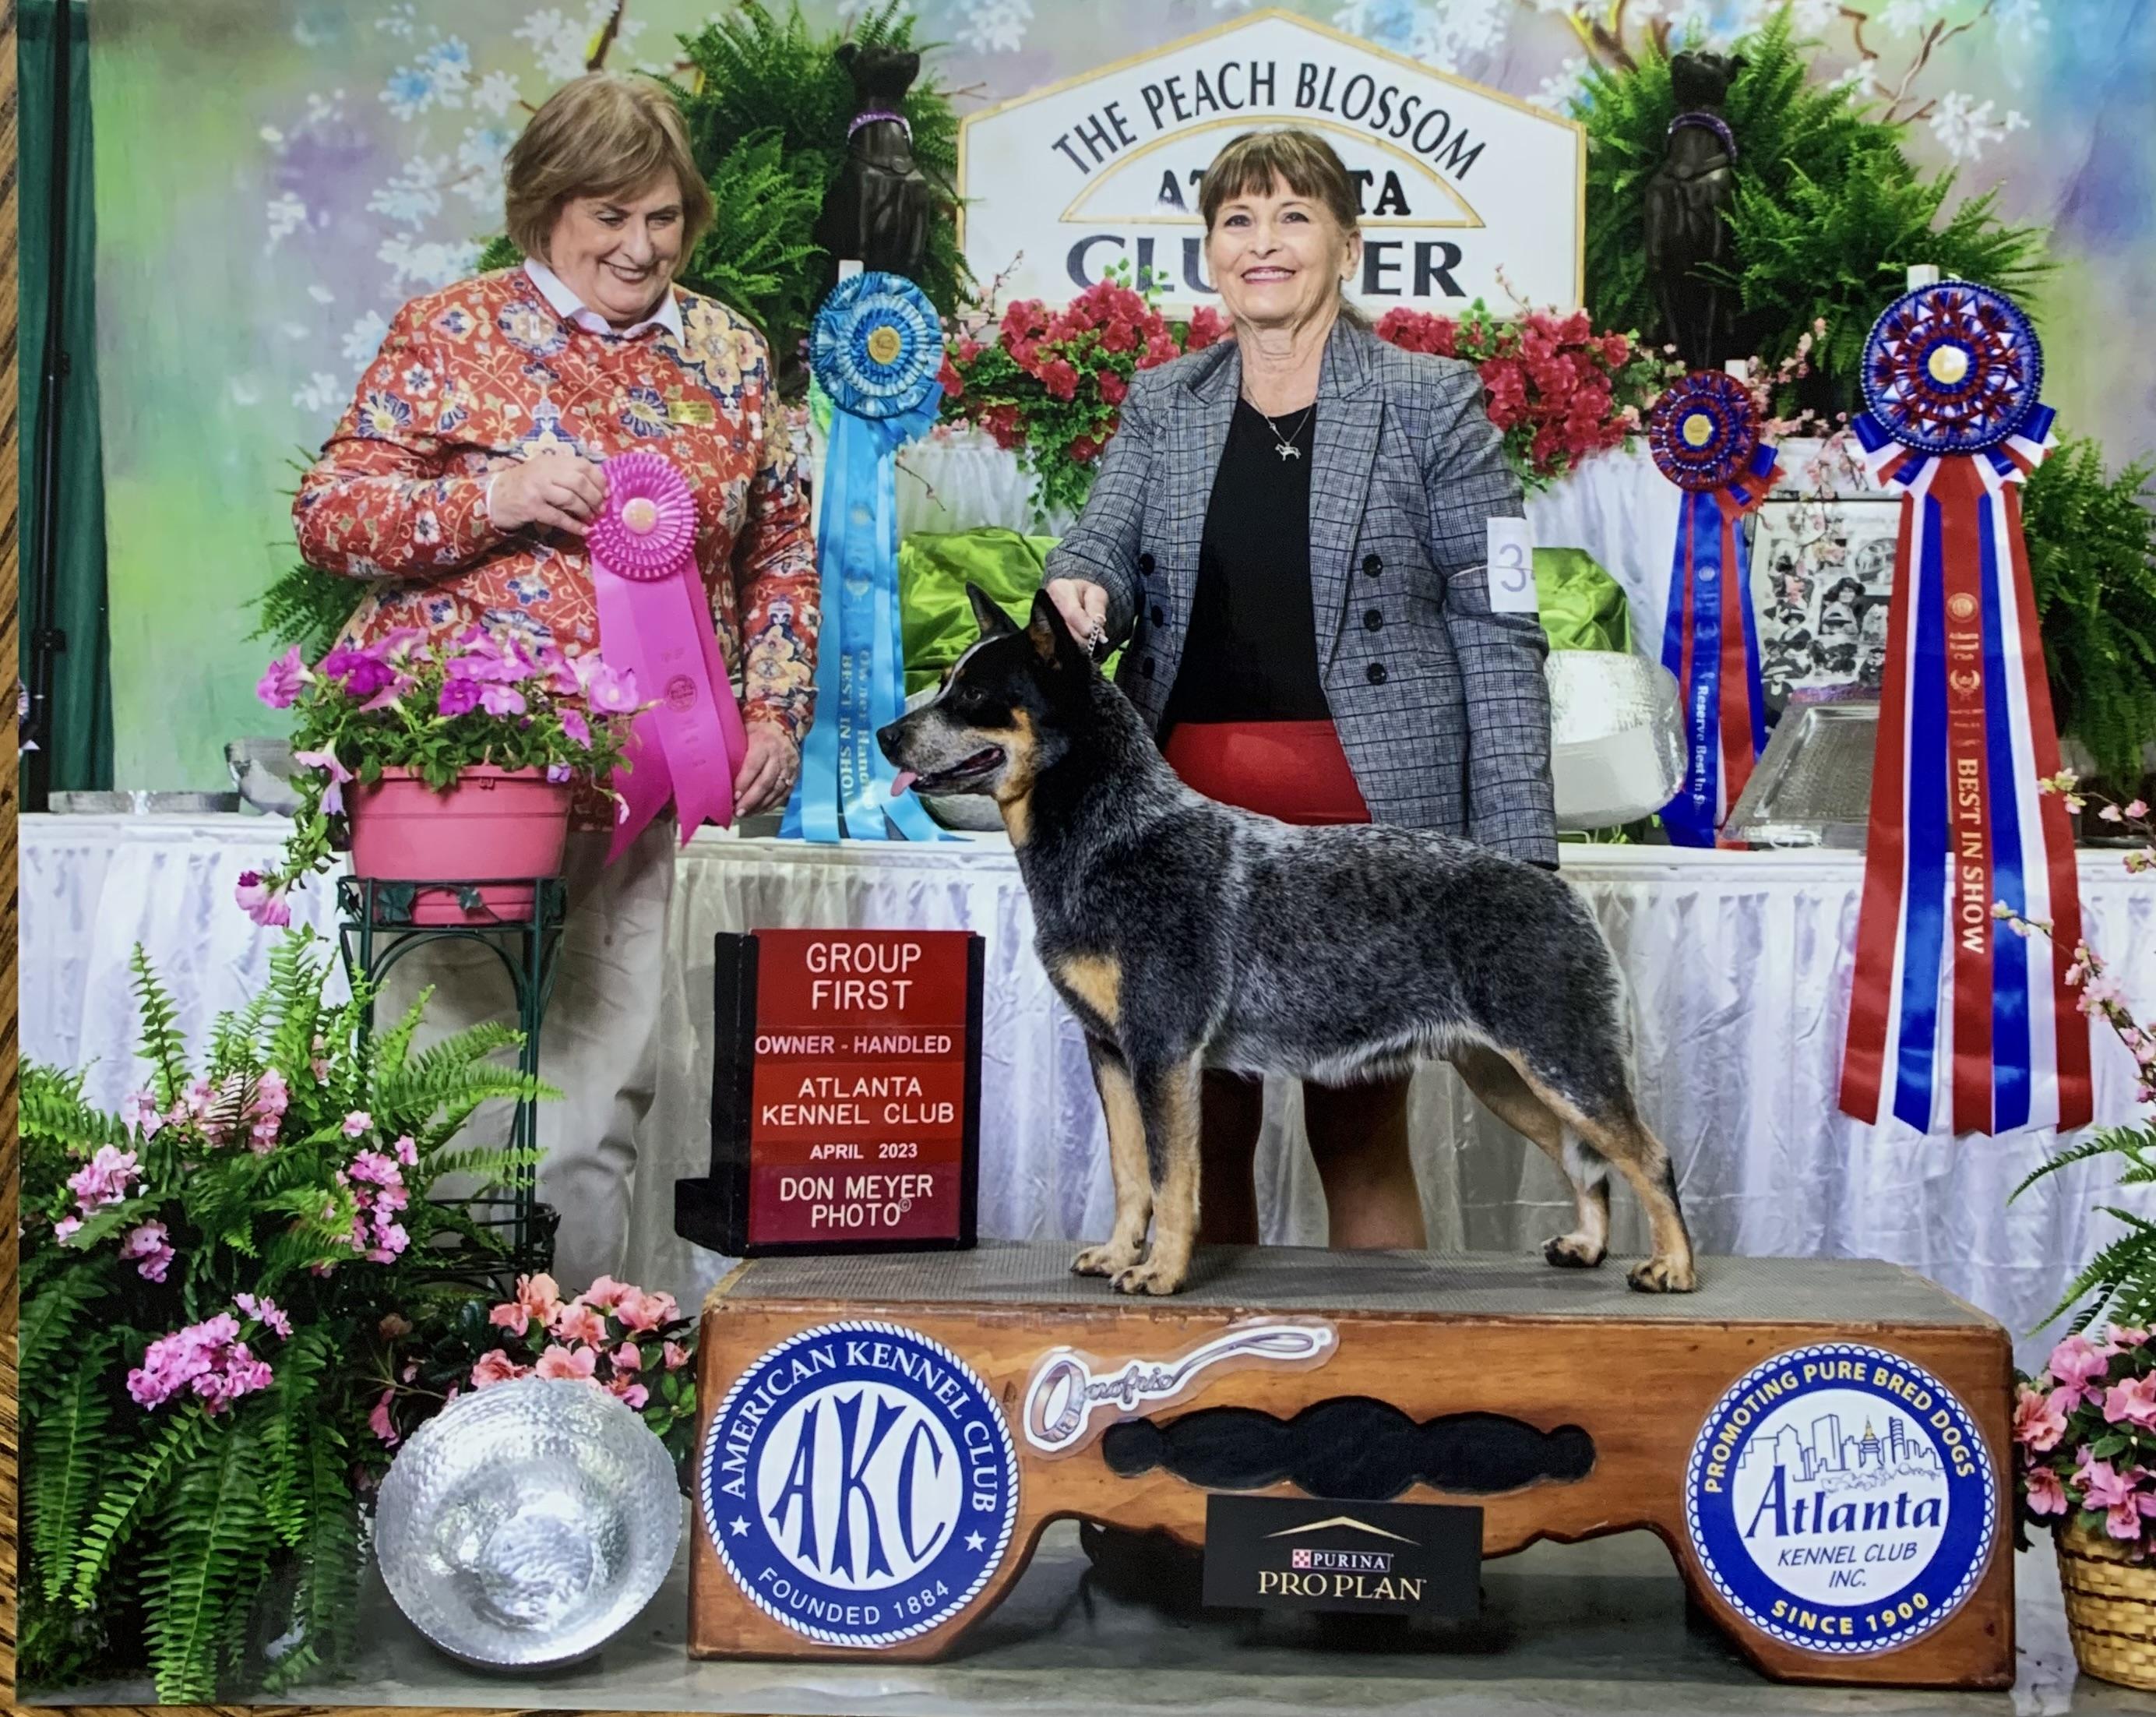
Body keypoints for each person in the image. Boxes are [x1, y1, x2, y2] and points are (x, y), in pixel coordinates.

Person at [292, 72, 818, 1289]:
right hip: (461, 785)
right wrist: (495, 496)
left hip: (644, 785)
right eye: (609, 216)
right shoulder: (450, 333)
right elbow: (331, 518)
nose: (641, 246)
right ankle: (435, 1358)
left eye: (664, 217)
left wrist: (775, 710)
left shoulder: (732, 355)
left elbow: (780, 551)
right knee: (452, 1094)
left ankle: (574, 1348)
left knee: (596, 1102)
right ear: (543, 211)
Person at [1041, 127, 1555, 1254]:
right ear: (1210, 252)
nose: (1262, 244)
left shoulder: (1433, 401)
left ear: (1348, 246)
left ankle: (1386, 1368)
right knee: (1198, 1127)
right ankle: (1206, 1358)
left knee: (1359, 1134)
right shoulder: (1164, 402)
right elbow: (1099, 545)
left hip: (1372, 821)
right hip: (1180, 827)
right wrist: (1081, 589)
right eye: (1237, 220)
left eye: (1293, 217)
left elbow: (1501, 624)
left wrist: (1520, 856)